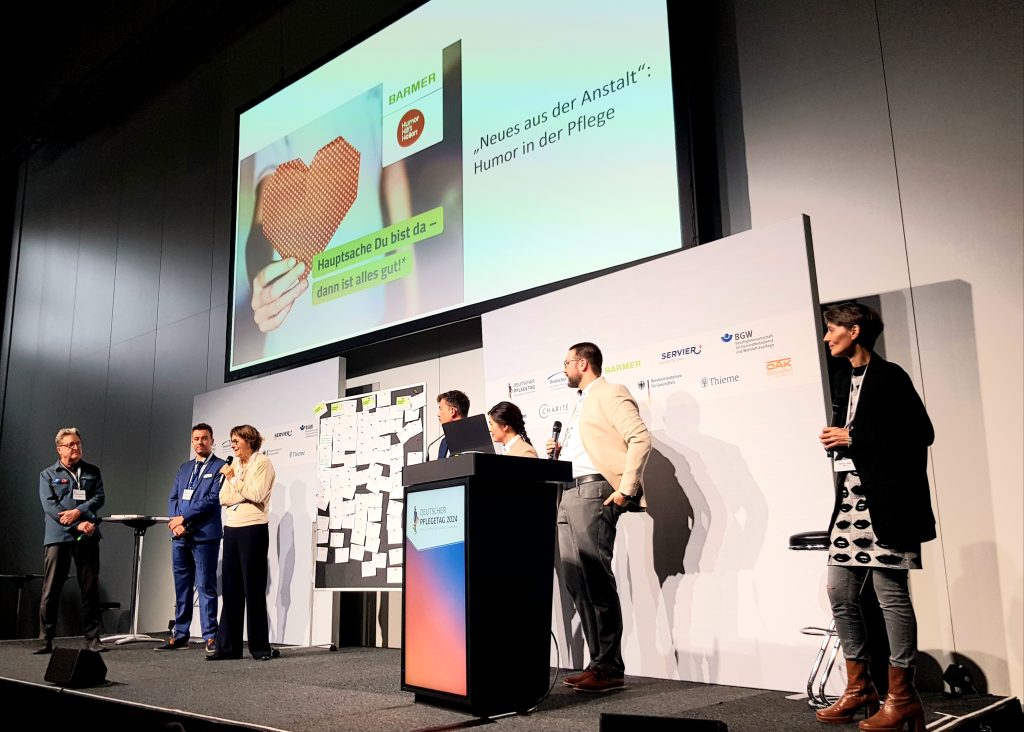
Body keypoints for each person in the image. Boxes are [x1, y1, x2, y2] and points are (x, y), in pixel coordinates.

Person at [815, 302, 935, 731]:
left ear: (855, 330)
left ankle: (902, 697)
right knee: (839, 593)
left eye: (832, 330)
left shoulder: (891, 376)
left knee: (891, 596)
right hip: (851, 500)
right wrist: (839, 441)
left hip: (889, 504)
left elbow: (922, 432)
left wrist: (855, 436)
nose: (827, 338)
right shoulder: (840, 378)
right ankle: (859, 687)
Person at [546, 342, 651, 692]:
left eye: (566, 363)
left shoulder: (610, 392)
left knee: (596, 579)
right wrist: (560, 453)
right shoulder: (580, 402)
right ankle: (598, 663)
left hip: (594, 492)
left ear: (583, 362)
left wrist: (626, 488)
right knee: (575, 581)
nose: (563, 369)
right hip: (568, 492)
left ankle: (610, 667)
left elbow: (639, 437)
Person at [208, 425, 278, 661]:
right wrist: (240, 488)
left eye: (236, 440)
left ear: (249, 440)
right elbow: (223, 497)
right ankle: (228, 648)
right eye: (231, 441)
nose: (233, 445)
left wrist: (234, 481)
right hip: (233, 528)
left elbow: (257, 495)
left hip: (254, 528)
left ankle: (259, 648)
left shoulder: (263, 463)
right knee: (231, 590)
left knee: (253, 589)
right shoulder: (234, 465)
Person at [157, 423, 227, 653]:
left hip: (205, 535)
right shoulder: (184, 468)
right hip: (179, 536)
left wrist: (183, 519)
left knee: (205, 585)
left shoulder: (221, 467)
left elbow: (211, 500)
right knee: (182, 587)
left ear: (212, 440)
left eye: (204, 438)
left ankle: (210, 635)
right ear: (192, 441)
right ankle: (180, 634)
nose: (200, 442)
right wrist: (175, 522)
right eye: (196, 438)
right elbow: (174, 497)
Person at [36, 427, 105, 654]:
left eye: (78, 443)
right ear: (59, 449)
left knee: (89, 588)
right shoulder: (47, 474)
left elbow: (99, 497)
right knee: (51, 589)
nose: (76, 447)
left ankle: (93, 639)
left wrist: (78, 512)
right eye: (70, 445)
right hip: (60, 536)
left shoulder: (92, 471)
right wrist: (77, 523)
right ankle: (45, 639)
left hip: (86, 535)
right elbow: (50, 507)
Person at [435, 390, 469, 459]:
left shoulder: (474, 437)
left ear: (452, 411)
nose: (438, 414)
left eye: (441, 409)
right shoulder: (444, 442)